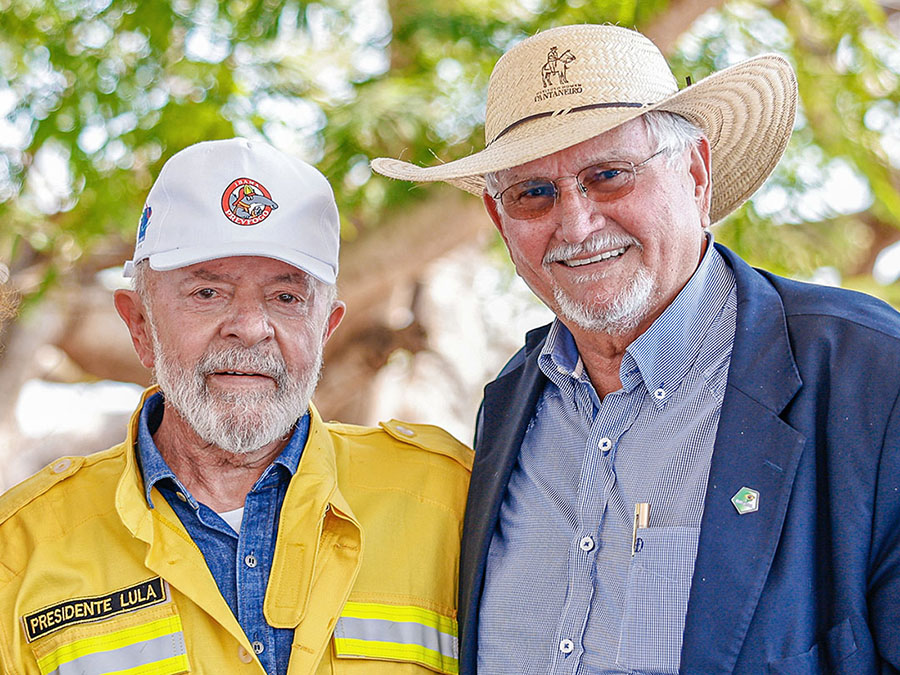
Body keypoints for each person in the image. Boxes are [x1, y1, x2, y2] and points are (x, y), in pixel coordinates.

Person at [372, 24, 900, 675]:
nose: (576, 222)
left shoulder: (868, 372)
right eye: (533, 193)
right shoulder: (508, 402)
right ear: (498, 219)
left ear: (697, 174)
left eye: (610, 175)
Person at [0, 138, 472, 675]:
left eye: (286, 297)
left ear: (327, 328)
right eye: (208, 293)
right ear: (139, 325)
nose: (250, 328)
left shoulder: (449, 502)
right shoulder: (20, 551)